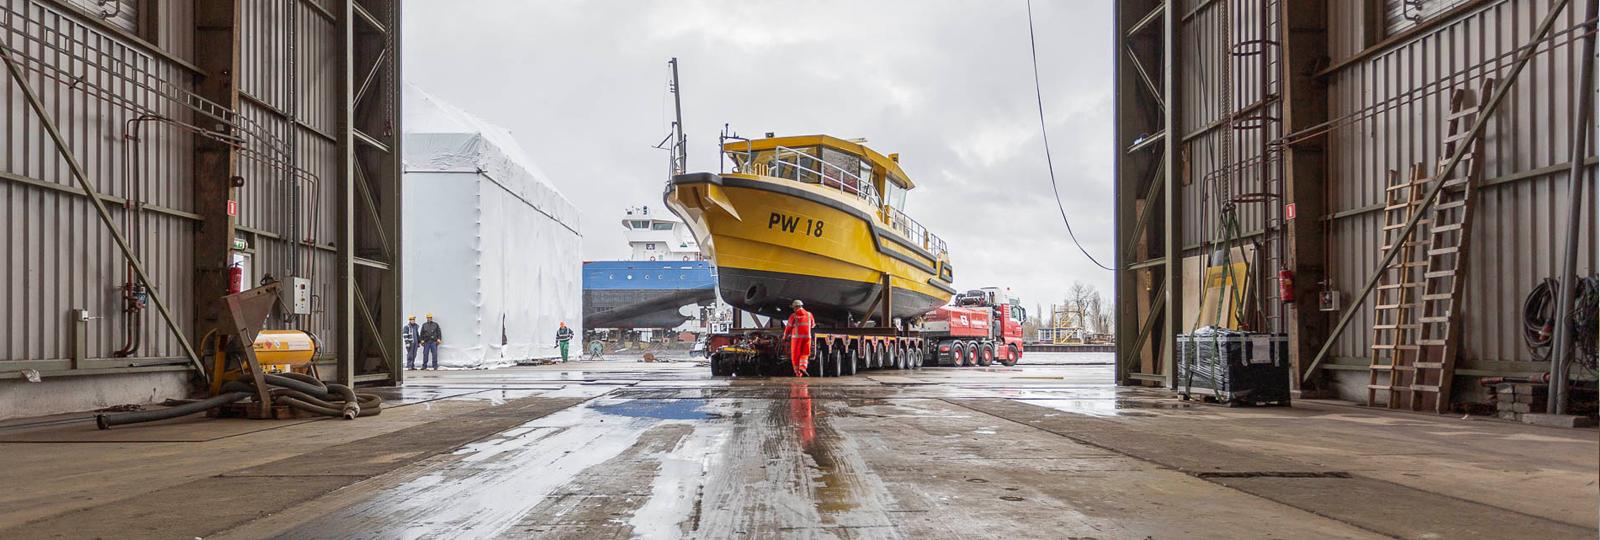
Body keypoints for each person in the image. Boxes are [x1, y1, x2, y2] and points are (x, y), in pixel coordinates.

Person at [784, 299, 815, 377]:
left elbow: (788, 328)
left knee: (795, 356)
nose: (793, 309)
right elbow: (812, 325)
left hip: (796, 338)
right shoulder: (809, 314)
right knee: (805, 353)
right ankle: (803, 367)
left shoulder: (793, 316)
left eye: (793, 307)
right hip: (807, 337)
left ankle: (798, 373)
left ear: (796, 307)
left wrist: (785, 336)